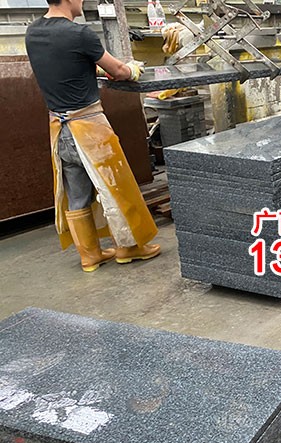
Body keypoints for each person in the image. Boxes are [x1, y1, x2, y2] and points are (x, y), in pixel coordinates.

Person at [25, 0, 160, 272]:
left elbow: (63, 66)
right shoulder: (80, 33)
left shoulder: (33, 33)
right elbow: (118, 71)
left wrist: (91, 68)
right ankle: (129, 247)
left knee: (77, 196)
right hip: (89, 128)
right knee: (116, 189)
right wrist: (132, 69)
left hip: (60, 130)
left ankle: (90, 255)